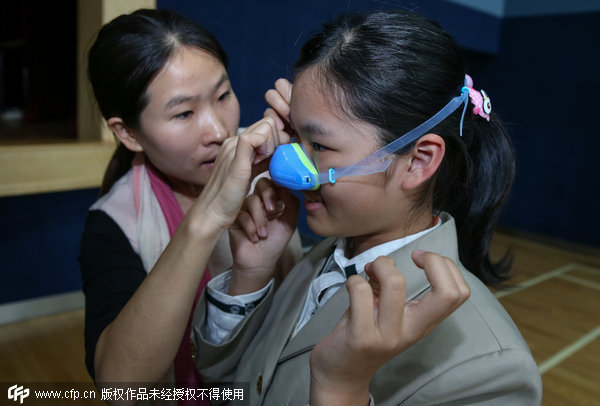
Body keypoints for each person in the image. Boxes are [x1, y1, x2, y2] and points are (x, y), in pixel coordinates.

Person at [191, 10, 543, 405]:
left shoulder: (491, 370)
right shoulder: (319, 259)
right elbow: (226, 383)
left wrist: (342, 389)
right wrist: (249, 278)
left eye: (319, 146)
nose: (287, 168)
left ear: (419, 160)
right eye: (296, 136)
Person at [78, 8, 305, 403]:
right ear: (128, 133)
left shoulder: (265, 160)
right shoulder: (114, 223)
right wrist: (208, 217)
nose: (218, 131)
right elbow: (120, 386)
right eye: (183, 113)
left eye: (223, 95)